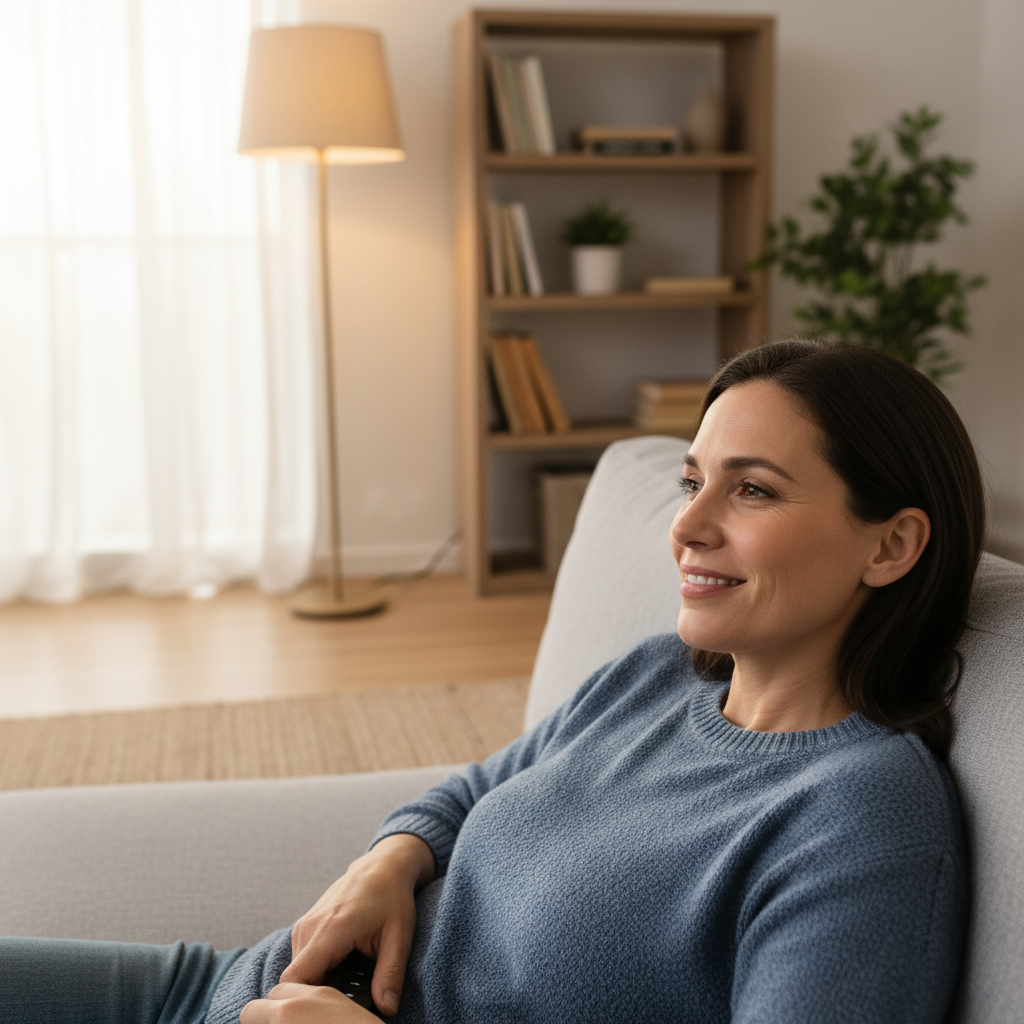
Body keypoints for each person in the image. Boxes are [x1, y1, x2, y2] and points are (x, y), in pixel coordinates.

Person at [1, 340, 984, 1024]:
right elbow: (473, 789)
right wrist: (384, 861)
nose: (686, 526)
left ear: (890, 544)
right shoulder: (653, 679)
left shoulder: (860, 818)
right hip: (215, 989)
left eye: (753, 488)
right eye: (694, 482)